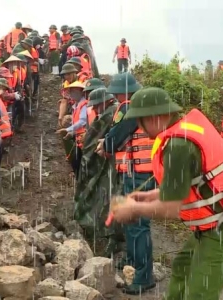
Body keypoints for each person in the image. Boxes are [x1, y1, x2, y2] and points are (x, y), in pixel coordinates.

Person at [108, 87, 223, 300]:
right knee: (182, 268)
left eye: (140, 121)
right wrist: (149, 196)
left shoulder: (179, 145)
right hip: (215, 223)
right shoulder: (182, 134)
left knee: (199, 292)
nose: (139, 128)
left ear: (156, 117)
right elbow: (180, 186)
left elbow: (170, 208)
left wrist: (134, 209)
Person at [97, 72, 155, 295]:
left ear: (125, 92)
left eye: (117, 94)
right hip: (139, 172)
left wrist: (106, 145)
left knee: (139, 224)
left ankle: (144, 276)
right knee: (133, 220)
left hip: (140, 173)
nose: (117, 98)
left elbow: (117, 134)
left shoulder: (132, 108)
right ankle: (133, 261)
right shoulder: (142, 106)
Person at [74, 87, 119, 256]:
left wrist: (89, 153)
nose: (94, 109)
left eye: (96, 105)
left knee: (108, 197)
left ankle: (112, 239)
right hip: (114, 162)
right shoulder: (112, 111)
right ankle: (111, 238)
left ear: (105, 101)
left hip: (114, 164)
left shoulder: (111, 112)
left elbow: (95, 139)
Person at [56, 81, 87, 178]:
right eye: (71, 91)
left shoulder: (84, 105)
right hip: (79, 139)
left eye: (74, 91)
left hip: (85, 139)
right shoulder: (76, 106)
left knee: (78, 161)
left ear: (81, 92)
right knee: (75, 161)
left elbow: (82, 121)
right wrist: (72, 132)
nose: (72, 94)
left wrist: (68, 129)